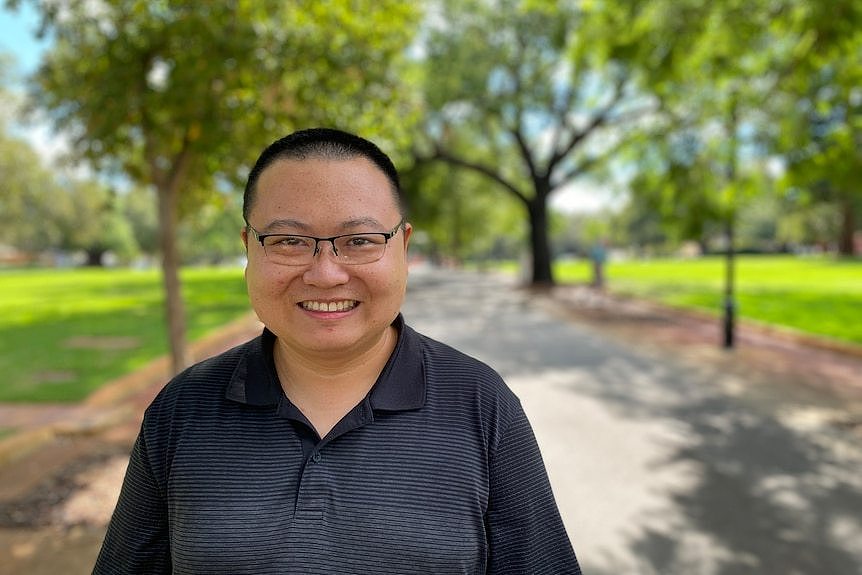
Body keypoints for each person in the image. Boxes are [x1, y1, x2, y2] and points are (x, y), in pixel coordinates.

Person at [93, 128, 581, 574]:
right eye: (288, 240)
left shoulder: (481, 405)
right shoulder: (182, 410)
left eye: (359, 241)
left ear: (403, 248)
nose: (326, 273)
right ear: (249, 249)